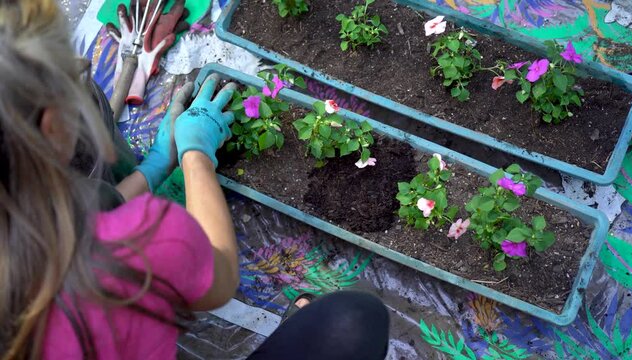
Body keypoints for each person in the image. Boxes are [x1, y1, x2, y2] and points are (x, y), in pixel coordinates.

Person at [0, 1, 389, 359]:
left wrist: (153, 167)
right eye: (73, 73)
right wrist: (196, 154)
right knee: (353, 321)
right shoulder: (138, 243)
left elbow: (94, 207)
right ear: (50, 126)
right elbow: (220, 278)